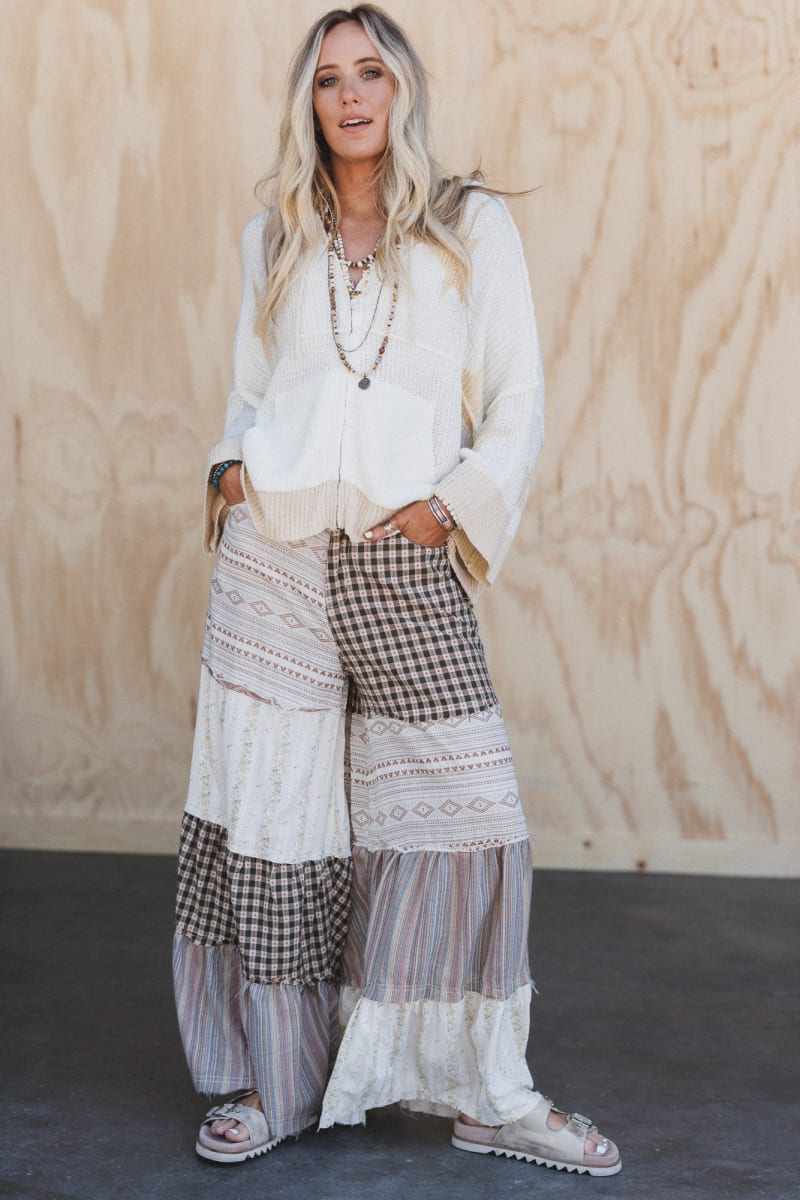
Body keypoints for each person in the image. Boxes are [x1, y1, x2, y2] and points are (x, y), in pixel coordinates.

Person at [172, 3, 621, 1177]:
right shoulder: (273, 233)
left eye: (369, 73)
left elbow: (516, 399)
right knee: (276, 825)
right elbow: (250, 391)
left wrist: (449, 509)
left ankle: (487, 1093)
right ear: (308, 102)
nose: (350, 96)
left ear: (400, 90)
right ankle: (272, 1081)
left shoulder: (469, 223)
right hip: (273, 555)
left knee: (465, 815)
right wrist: (226, 474)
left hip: (400, 552)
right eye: (328, 79)